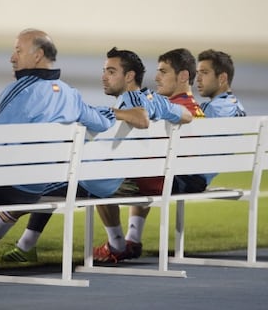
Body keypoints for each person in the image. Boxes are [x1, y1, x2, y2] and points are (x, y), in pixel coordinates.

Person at [0, 47, 193, 266]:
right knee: (46, 174)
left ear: (129, 76)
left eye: (111, 71)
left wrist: (114, 113)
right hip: (118, 178)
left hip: (101, 181)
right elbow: (186, 116)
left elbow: (141, 118)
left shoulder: (131, 101)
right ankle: (2, 241)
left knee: (27, 187)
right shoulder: (154, 99)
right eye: (104, 70)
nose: (103, 77)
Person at [94, 48, 247, 263]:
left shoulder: (173, 110)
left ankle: (116, 244)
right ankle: (133, 237)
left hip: (172, 179)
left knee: (99, 181)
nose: (157, 78)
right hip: (187, 177)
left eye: (163, 72)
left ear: (183, 76)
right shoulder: (195, 109)